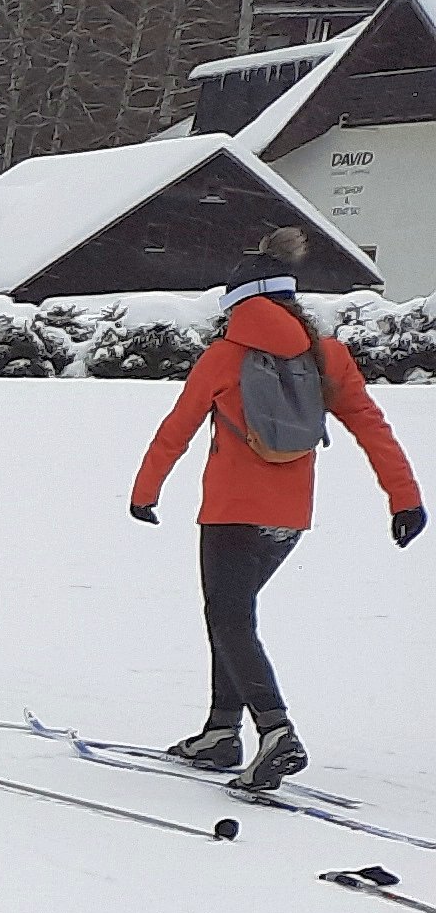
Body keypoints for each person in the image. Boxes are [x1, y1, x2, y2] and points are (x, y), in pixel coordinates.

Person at [129, 228, 422, 797]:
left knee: (228, 616)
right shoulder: (327, 356)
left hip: (230, 513)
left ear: (239, 306)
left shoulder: (224, 356)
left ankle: (274, 729)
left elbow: (177, 429)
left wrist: (146, 491)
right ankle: (221, 731)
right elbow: (371, 427)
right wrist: (404, 498)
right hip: (288, 520)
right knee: (232, 614)